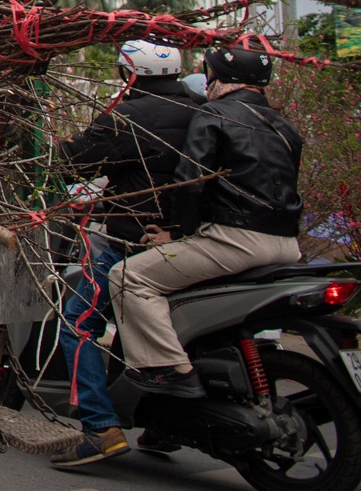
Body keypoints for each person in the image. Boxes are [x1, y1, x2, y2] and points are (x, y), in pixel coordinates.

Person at [110, 43, 305, 398]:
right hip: (288, 247)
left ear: (218, 77)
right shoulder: (284, 125)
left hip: (235, 241)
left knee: (128, 277)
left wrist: (176, 232)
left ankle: (170, 369)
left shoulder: (214, 113)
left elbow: (190, 181)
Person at [47, 39, 201, 468]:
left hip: (128, 242)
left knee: (77, 327)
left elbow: (71, 161)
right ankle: (167, 424)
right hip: (188, 243)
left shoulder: (130, 117)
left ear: (127, 74)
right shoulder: (202, 109)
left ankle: (100, 428)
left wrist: (45, 150)